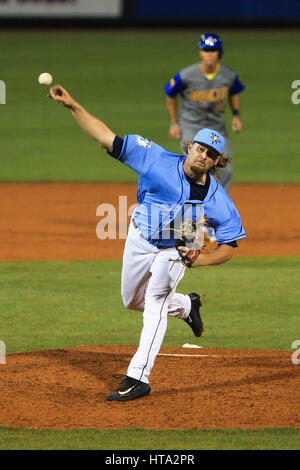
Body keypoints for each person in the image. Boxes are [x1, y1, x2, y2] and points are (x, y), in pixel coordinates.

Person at [48, 84, 246, 402]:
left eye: (210, 154)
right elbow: (106, 138)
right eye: (200, 148)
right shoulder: (155, 159)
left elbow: (229, 246)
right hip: (140, 237)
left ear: (216, 162)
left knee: (153, 305)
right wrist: (73, 105)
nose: (203, 156)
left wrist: (200, 259)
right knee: (132, 300)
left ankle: (139, 377)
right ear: (190, 146)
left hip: (176, 248)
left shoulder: (217, 199)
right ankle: (187, 305)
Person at [165, 33, 245, 191]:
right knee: (194, 167)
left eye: (213, 50)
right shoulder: (186, 75)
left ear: (219, 53)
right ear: (200, 52)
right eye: (206, 50)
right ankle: (189, 202)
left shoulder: (228, 75)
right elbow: (170, 93)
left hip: (217, 127)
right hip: (191, 126)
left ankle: (215, 204)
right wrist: (174, 122)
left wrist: (236, 115)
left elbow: (235, 91)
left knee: (226, 170)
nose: (210, 54)